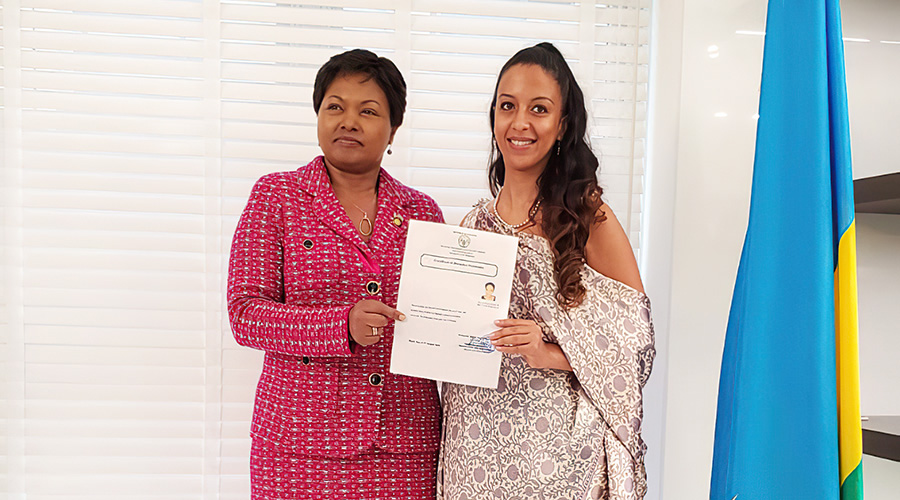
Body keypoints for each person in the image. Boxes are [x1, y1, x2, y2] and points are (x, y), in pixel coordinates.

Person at [438, 42, 656, 500]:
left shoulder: (588, 216)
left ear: (562, 125)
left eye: (539, 109)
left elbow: (636, 343)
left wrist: (550, 350)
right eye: (507, 106)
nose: (519, 123)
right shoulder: (471, 227)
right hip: (473, 451)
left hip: (558, 461)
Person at [227, 49, 444, 500]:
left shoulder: (422, 212)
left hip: (403, 445)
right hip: (297, 445)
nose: (349, 121)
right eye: (335, 107)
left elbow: (444, 321)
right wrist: (339, 325)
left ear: (393, 130)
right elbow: (245, 315)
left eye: (368, 111)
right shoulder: (275, 196)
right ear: (318, 116)